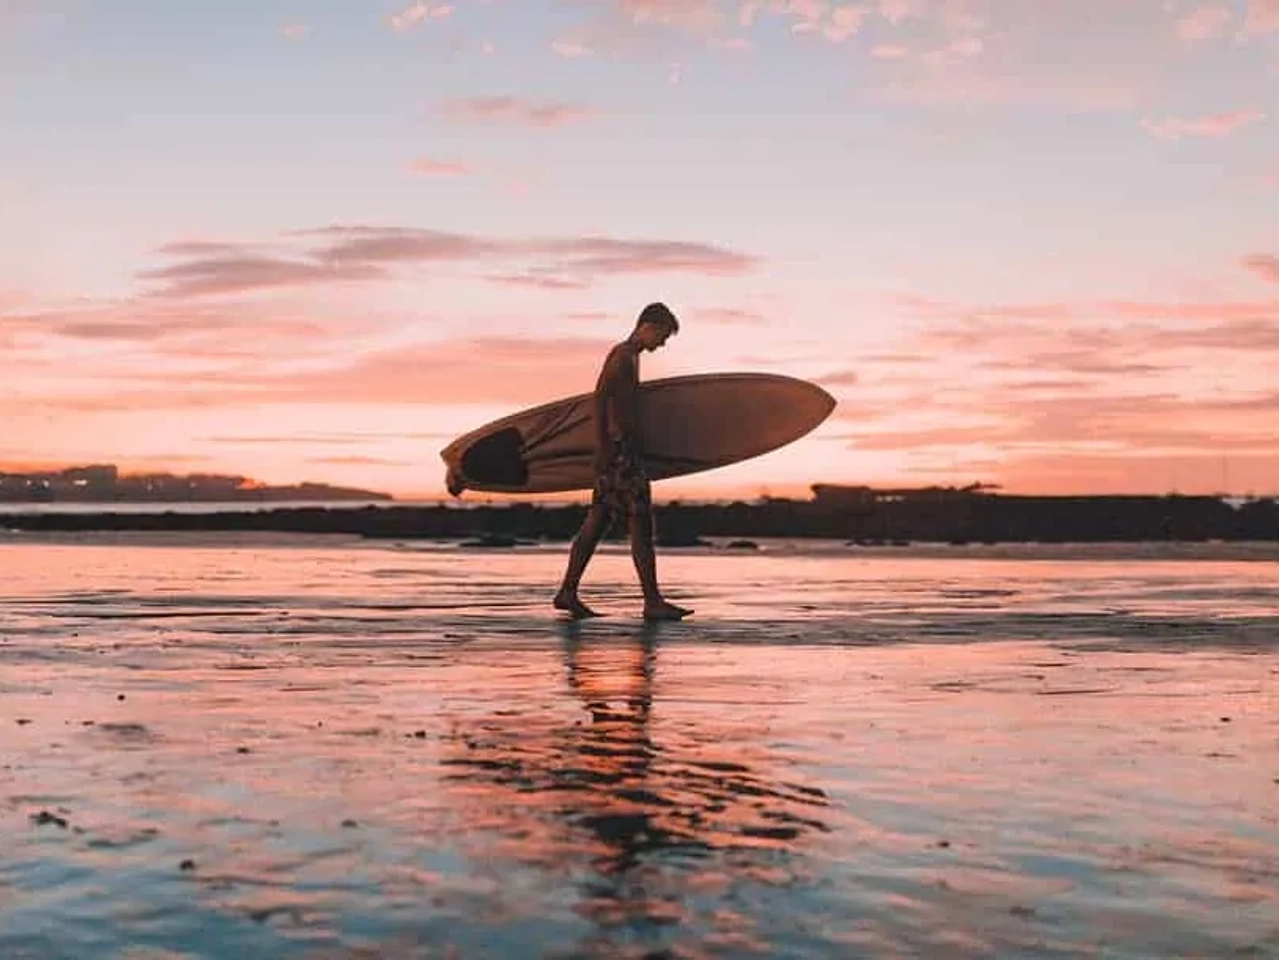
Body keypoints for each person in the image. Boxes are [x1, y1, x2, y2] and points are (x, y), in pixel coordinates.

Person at [552, 303, 694, 621]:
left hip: (621, 450)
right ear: (647, 325)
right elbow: (600, 397)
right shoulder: (622, 355)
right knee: (641, 523)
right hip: (620, 453)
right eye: (662, 335)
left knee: (598, 520)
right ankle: (653, 601)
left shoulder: (630, 356)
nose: (662, 344)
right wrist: (603, 446)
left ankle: (567, 591)